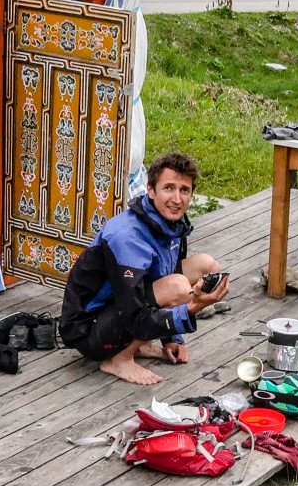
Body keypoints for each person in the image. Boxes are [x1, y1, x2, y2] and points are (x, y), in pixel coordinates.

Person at [60, 152, 229, 385]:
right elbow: (134, 312)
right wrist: (192, 307)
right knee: (179, 287)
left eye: (184, 190)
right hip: (89, 330)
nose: (177, 199)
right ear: (150, 190)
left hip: (121, 310)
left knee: (206, 265)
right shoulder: (128, 236)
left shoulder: (172, 224)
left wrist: (172, 338)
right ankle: (120, 359)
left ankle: (138, 346)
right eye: (168, 188)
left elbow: (164, 277)